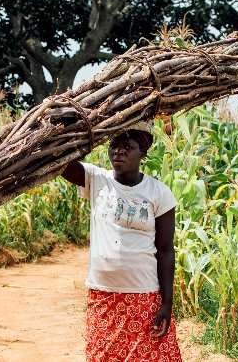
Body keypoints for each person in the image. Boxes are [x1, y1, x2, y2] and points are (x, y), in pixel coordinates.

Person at [61, 121, 180, 361]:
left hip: (144, 297)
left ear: (142, 153)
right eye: (114, 145)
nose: (119, 151)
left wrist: (166, 304)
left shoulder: (158, 192)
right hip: (103, 296)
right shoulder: (96, 179)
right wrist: (90, 133)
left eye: (128, 146)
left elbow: (166, 251)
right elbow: (62, 165)